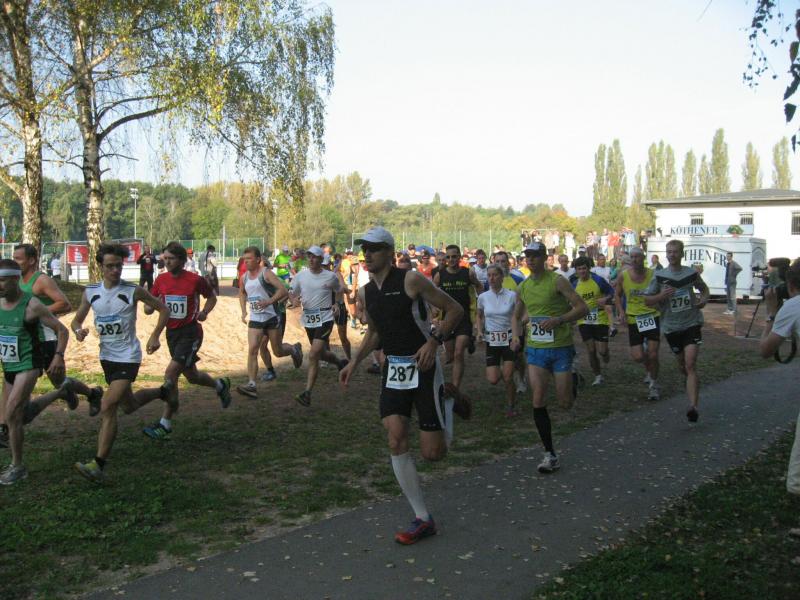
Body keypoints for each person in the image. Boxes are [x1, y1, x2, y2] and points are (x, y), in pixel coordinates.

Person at [339, 227, 470, 545]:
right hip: (395, 370)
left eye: (374, 248)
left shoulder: (410, 280)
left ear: (389, 251)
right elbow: (374, 333)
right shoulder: (366, 293)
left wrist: (434, 342)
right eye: (364, 249)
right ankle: (422, 518)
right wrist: (354, 362)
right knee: (396, 438)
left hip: (424, 368)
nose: (367, 254)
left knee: (433, 454)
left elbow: (455, 310)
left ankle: (449, 400)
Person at [70, 243, 171, 482]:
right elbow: (76, 321)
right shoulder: (91, 292)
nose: (115, 270)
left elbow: (164, 309)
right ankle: (163, 392)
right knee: (129, 405)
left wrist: (155, 335)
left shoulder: (133, 291)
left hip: (128, 356)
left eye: (119, 266)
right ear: (101, 267)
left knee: (108, 405)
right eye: (110, 266)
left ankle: (98, 465)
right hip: (107, 357)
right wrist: (78, 331)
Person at [511, 242, 588, 474]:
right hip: (536, 350)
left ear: (545, 258)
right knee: (538, 400)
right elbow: (516, 316)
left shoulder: (558, 281)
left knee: (565, 403)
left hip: (561, 347)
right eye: (527, 256)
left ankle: (574, 378)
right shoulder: (523, 287)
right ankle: (549, 454)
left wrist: (559, 320)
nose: (530, 259)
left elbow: (582, 308)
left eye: (535, 256)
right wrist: (515, 336)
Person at [142, 242, 232, 439]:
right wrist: (148, 307)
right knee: (191, 376)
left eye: (171, 259)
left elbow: (212, 298)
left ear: (182, 260)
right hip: (171, 333)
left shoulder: (195, 280)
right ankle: (220, 386)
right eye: (165, 258)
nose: (167, 262)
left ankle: (165, 423)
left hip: (190, 332)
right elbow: (152, 302)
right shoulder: (161, 279)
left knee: (171, 372)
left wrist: (204, 312)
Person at [0, 260, 72, 485]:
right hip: (9, 366)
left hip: (29, 365)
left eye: (2, 280)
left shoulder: (31, 305)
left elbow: (62, 330)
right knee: (21, 416)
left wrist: (58, 356)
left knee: (12, 413)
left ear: (15, 279)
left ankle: (17, 467)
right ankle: (61, 392)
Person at [11, 244, 102, 410]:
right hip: (26, 339)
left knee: (59, 381)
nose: (14, 262)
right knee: (20, 378)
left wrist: (36, 312)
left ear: (31, 260)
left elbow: (64, 304)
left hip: (46, 338)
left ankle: (92, 393)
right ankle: (17, 412)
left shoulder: (41, 280)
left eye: (18, 259)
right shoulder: (16, 281)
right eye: (13, 258)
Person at [644, 239, 710, 422]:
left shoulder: (691, 273)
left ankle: (693, 407)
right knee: (683, 366)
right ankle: (690, 381)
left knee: (690, 363)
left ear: (682, 254)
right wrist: (661, 295)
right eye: (669, 252)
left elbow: (704, 289)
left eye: (675, 252)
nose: (672, 255)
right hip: (671, 326)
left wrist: (703, 300)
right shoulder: (659, 276)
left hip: (691, 323)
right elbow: (647, 300)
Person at [236, 247, 302, 398]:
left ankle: (294, 349)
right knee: (253, 349)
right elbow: (241, 293)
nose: (246, 262)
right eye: (244, 259)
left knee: (277, 351)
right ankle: (252, 384)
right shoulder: (244, 277)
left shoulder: (266, 273)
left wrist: (269, 301)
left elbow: (282, 290)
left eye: (249, 259)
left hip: (272, 316)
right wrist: (244, 311)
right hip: (256, 318)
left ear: (258, 259)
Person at [759, 260, 800, 498]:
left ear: (791, 284)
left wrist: (772, 313)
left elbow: (765, 350)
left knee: (797, 480)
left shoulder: (793, 307)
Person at [290, 245, 348, 407]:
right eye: (309, 256)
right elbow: (292, 292)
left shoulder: (330, 276)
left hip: (325, 317)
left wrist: (337, 303)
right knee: (321, 354)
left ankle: (307, 393)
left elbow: (339, 290)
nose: (311, 259)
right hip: (309, 318)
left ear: (321, 259)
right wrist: (293, 300)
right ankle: (339, 363)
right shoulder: (301, 276)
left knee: (313, 354)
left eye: (314, 256)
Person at [433, 244, 483, 393]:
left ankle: (455, 389)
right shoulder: (440, 275)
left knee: (458, 352)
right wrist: (434, 309)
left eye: (454, 256)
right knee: (450, 356)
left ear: (459, 257)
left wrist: (480, 303)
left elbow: (479, 287)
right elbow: (431, 293)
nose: (451, 259)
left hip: (463, 318)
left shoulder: (468, 273)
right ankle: (470, 342)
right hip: (447, 319)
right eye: (448, 257)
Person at [616, 247, 662, 400]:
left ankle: (654, 385)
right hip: (634, 318)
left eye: (637, 257)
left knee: (653, 354)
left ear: (643, 258)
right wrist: (621, 312)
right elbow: (617, 295)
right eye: (632, 257)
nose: (634, 259)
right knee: (638, 357)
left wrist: (659, 303)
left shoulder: (653, 274)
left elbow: (661, 292)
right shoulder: (623, 276)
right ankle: (649, 367)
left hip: (651, 315)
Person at [476, 265, 519, 416]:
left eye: (495, 275)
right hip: (492, 341)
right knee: (493, 379)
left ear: (502, 277)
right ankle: (508, 368)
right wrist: (479, 331)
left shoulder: (512, 295)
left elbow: (517, 316)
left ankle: (511, 406)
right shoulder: (483, 297)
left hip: (508, 339)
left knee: (507, 377)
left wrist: (516, 336)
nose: (491, 278)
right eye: (489, 275)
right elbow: (479, 316)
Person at [572, 257, 615, 386]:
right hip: (584, 320)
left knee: (602, 351)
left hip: (600, 318)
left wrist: (605, 299)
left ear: (589, 268)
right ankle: (598, 376)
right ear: (576, 271)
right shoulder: (574, 284)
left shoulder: (598, 280)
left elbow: (611, 292)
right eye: (579, 269)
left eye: (584, 268)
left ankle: (606, 354)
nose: (582, 271)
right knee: (591, 350)